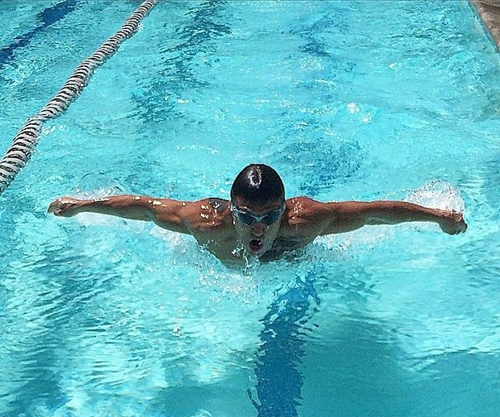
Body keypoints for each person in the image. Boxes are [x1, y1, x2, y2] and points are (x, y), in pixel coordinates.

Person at [48, 163, 467, 263]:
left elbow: (374, 213)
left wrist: (438, 216)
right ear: (233, 211)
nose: (260, 228)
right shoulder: (204, 223)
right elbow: (146, 208)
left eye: (270, 217)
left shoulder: (305, 221)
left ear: (283, 209)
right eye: (248, 217)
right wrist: (81, 205)